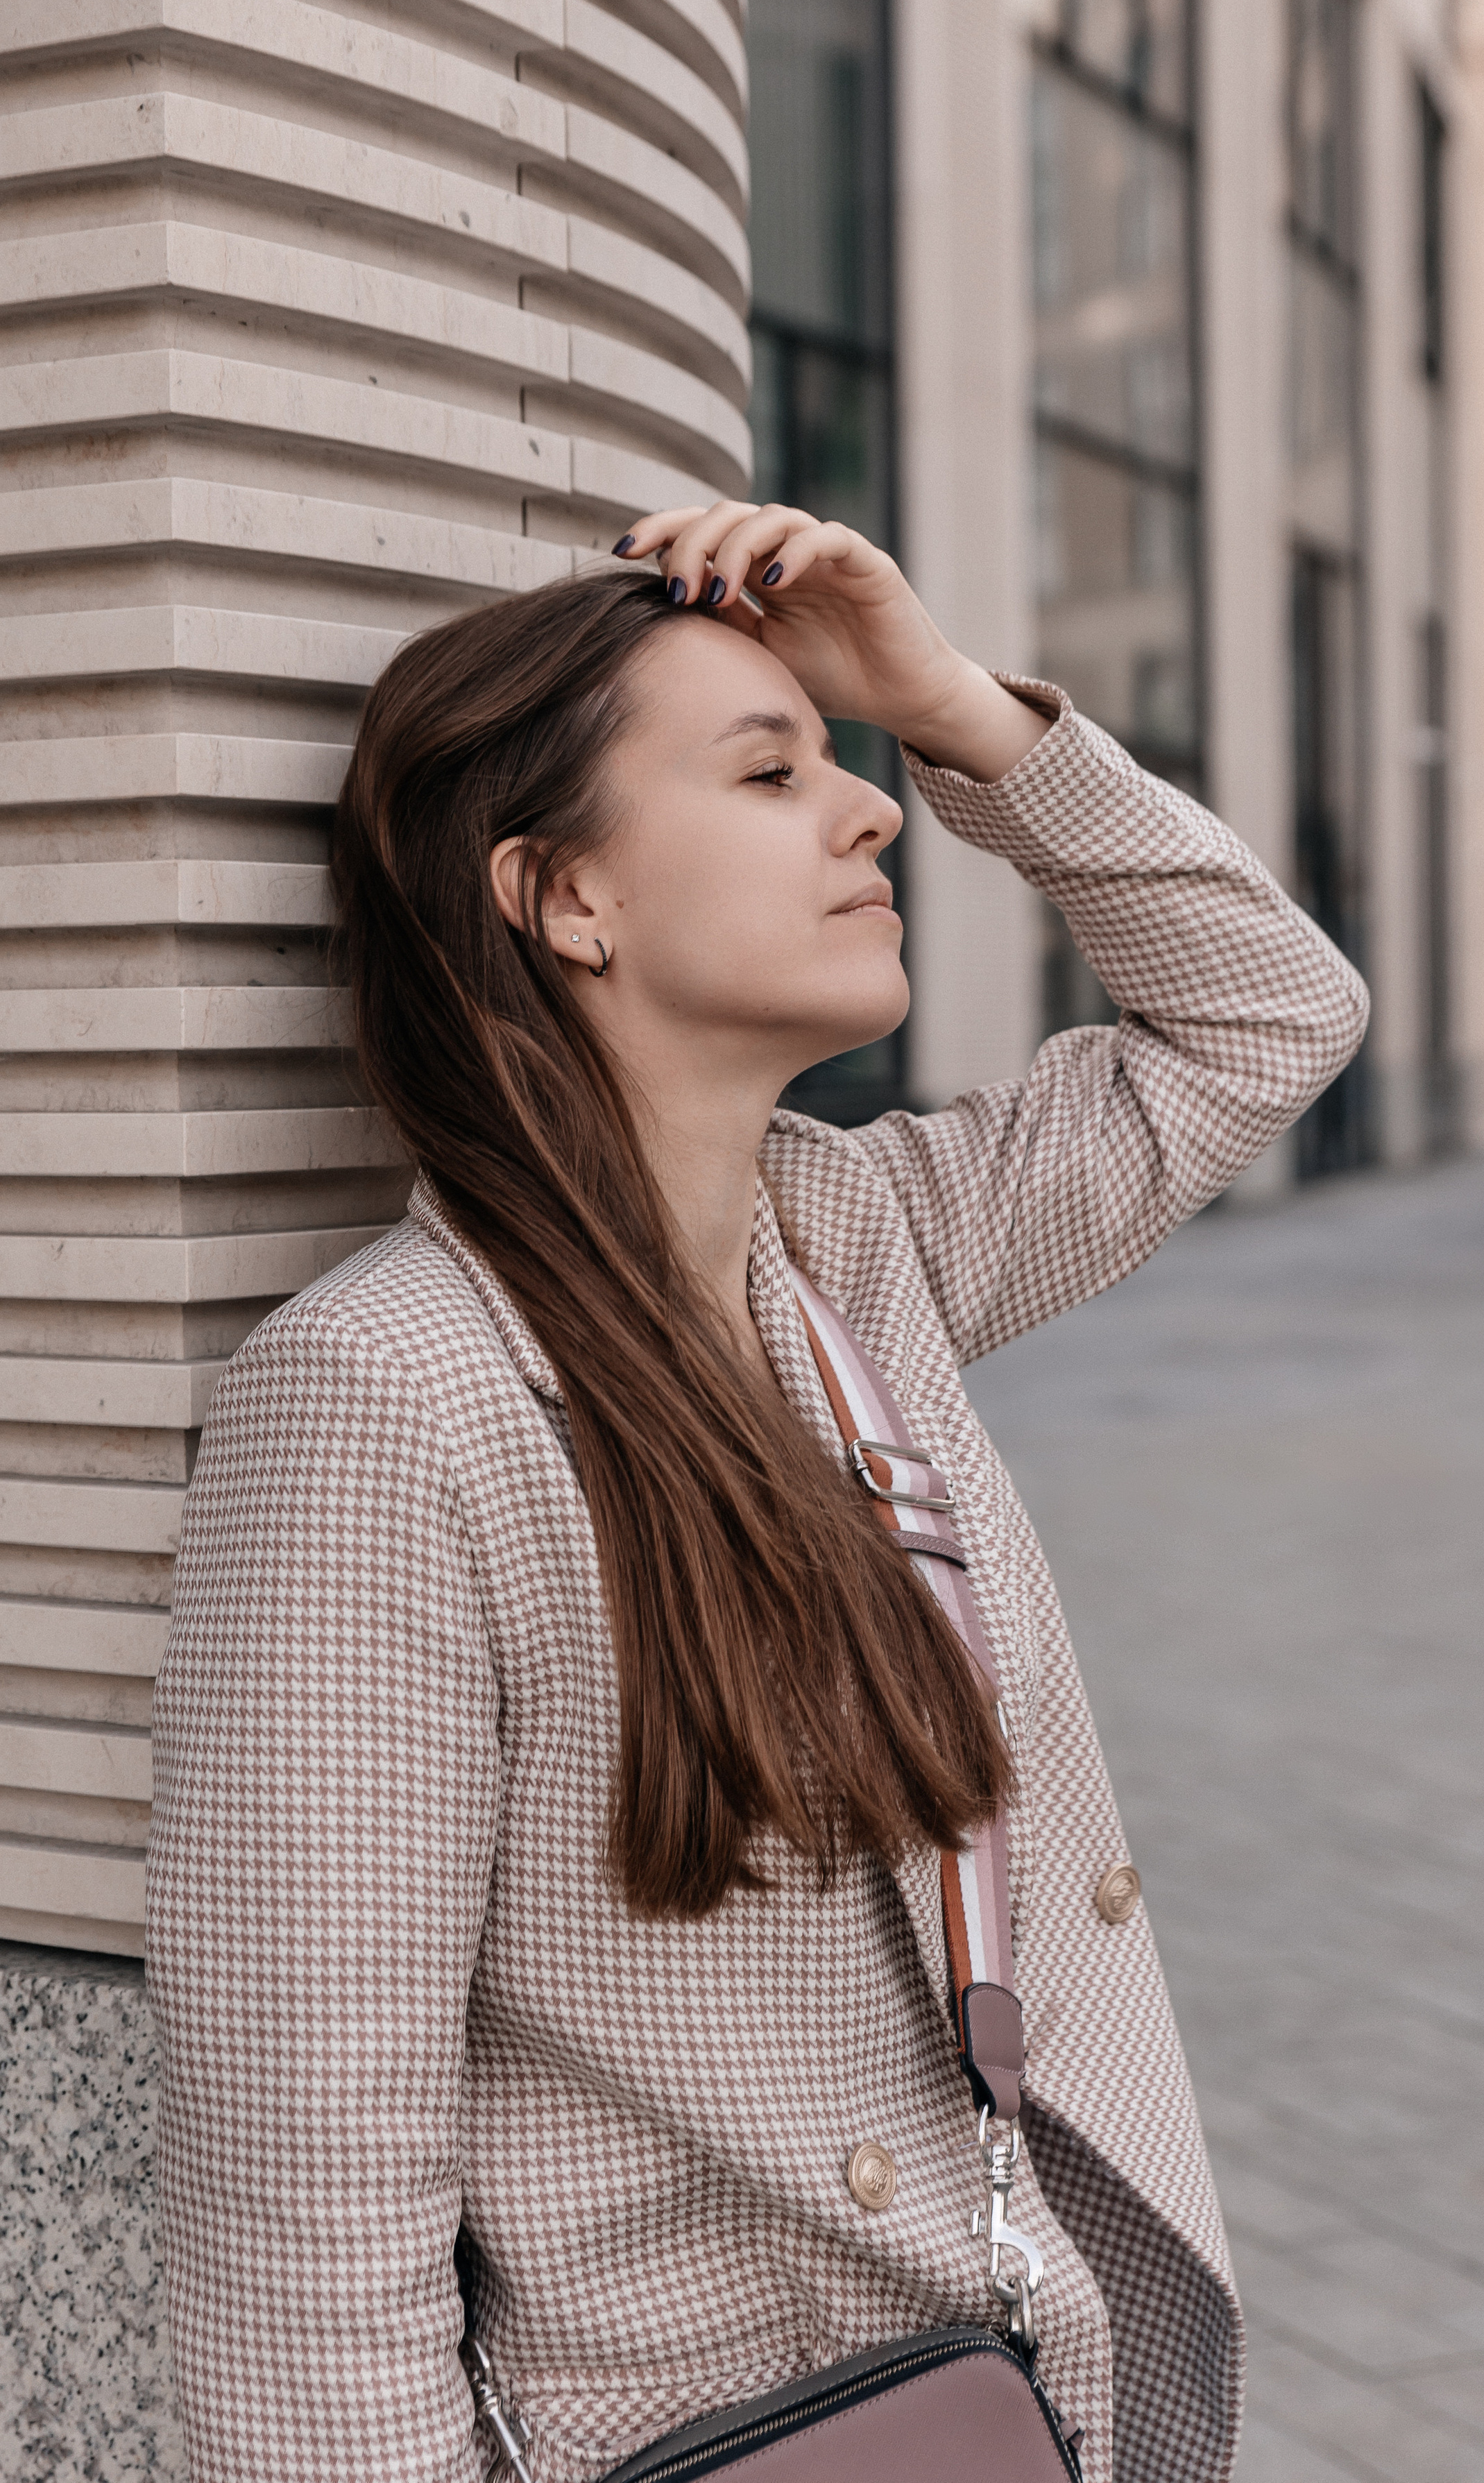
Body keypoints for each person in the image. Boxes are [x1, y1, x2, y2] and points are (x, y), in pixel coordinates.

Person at [146, 502, 1367, 2482]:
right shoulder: (389, 1403)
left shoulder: (859, 1252)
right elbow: (305, 2189)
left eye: (844, 762)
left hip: (986, 2393)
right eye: (772, 769)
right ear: (562, 898)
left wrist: (949, 703)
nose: (866, 812)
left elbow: (1271, 1015)